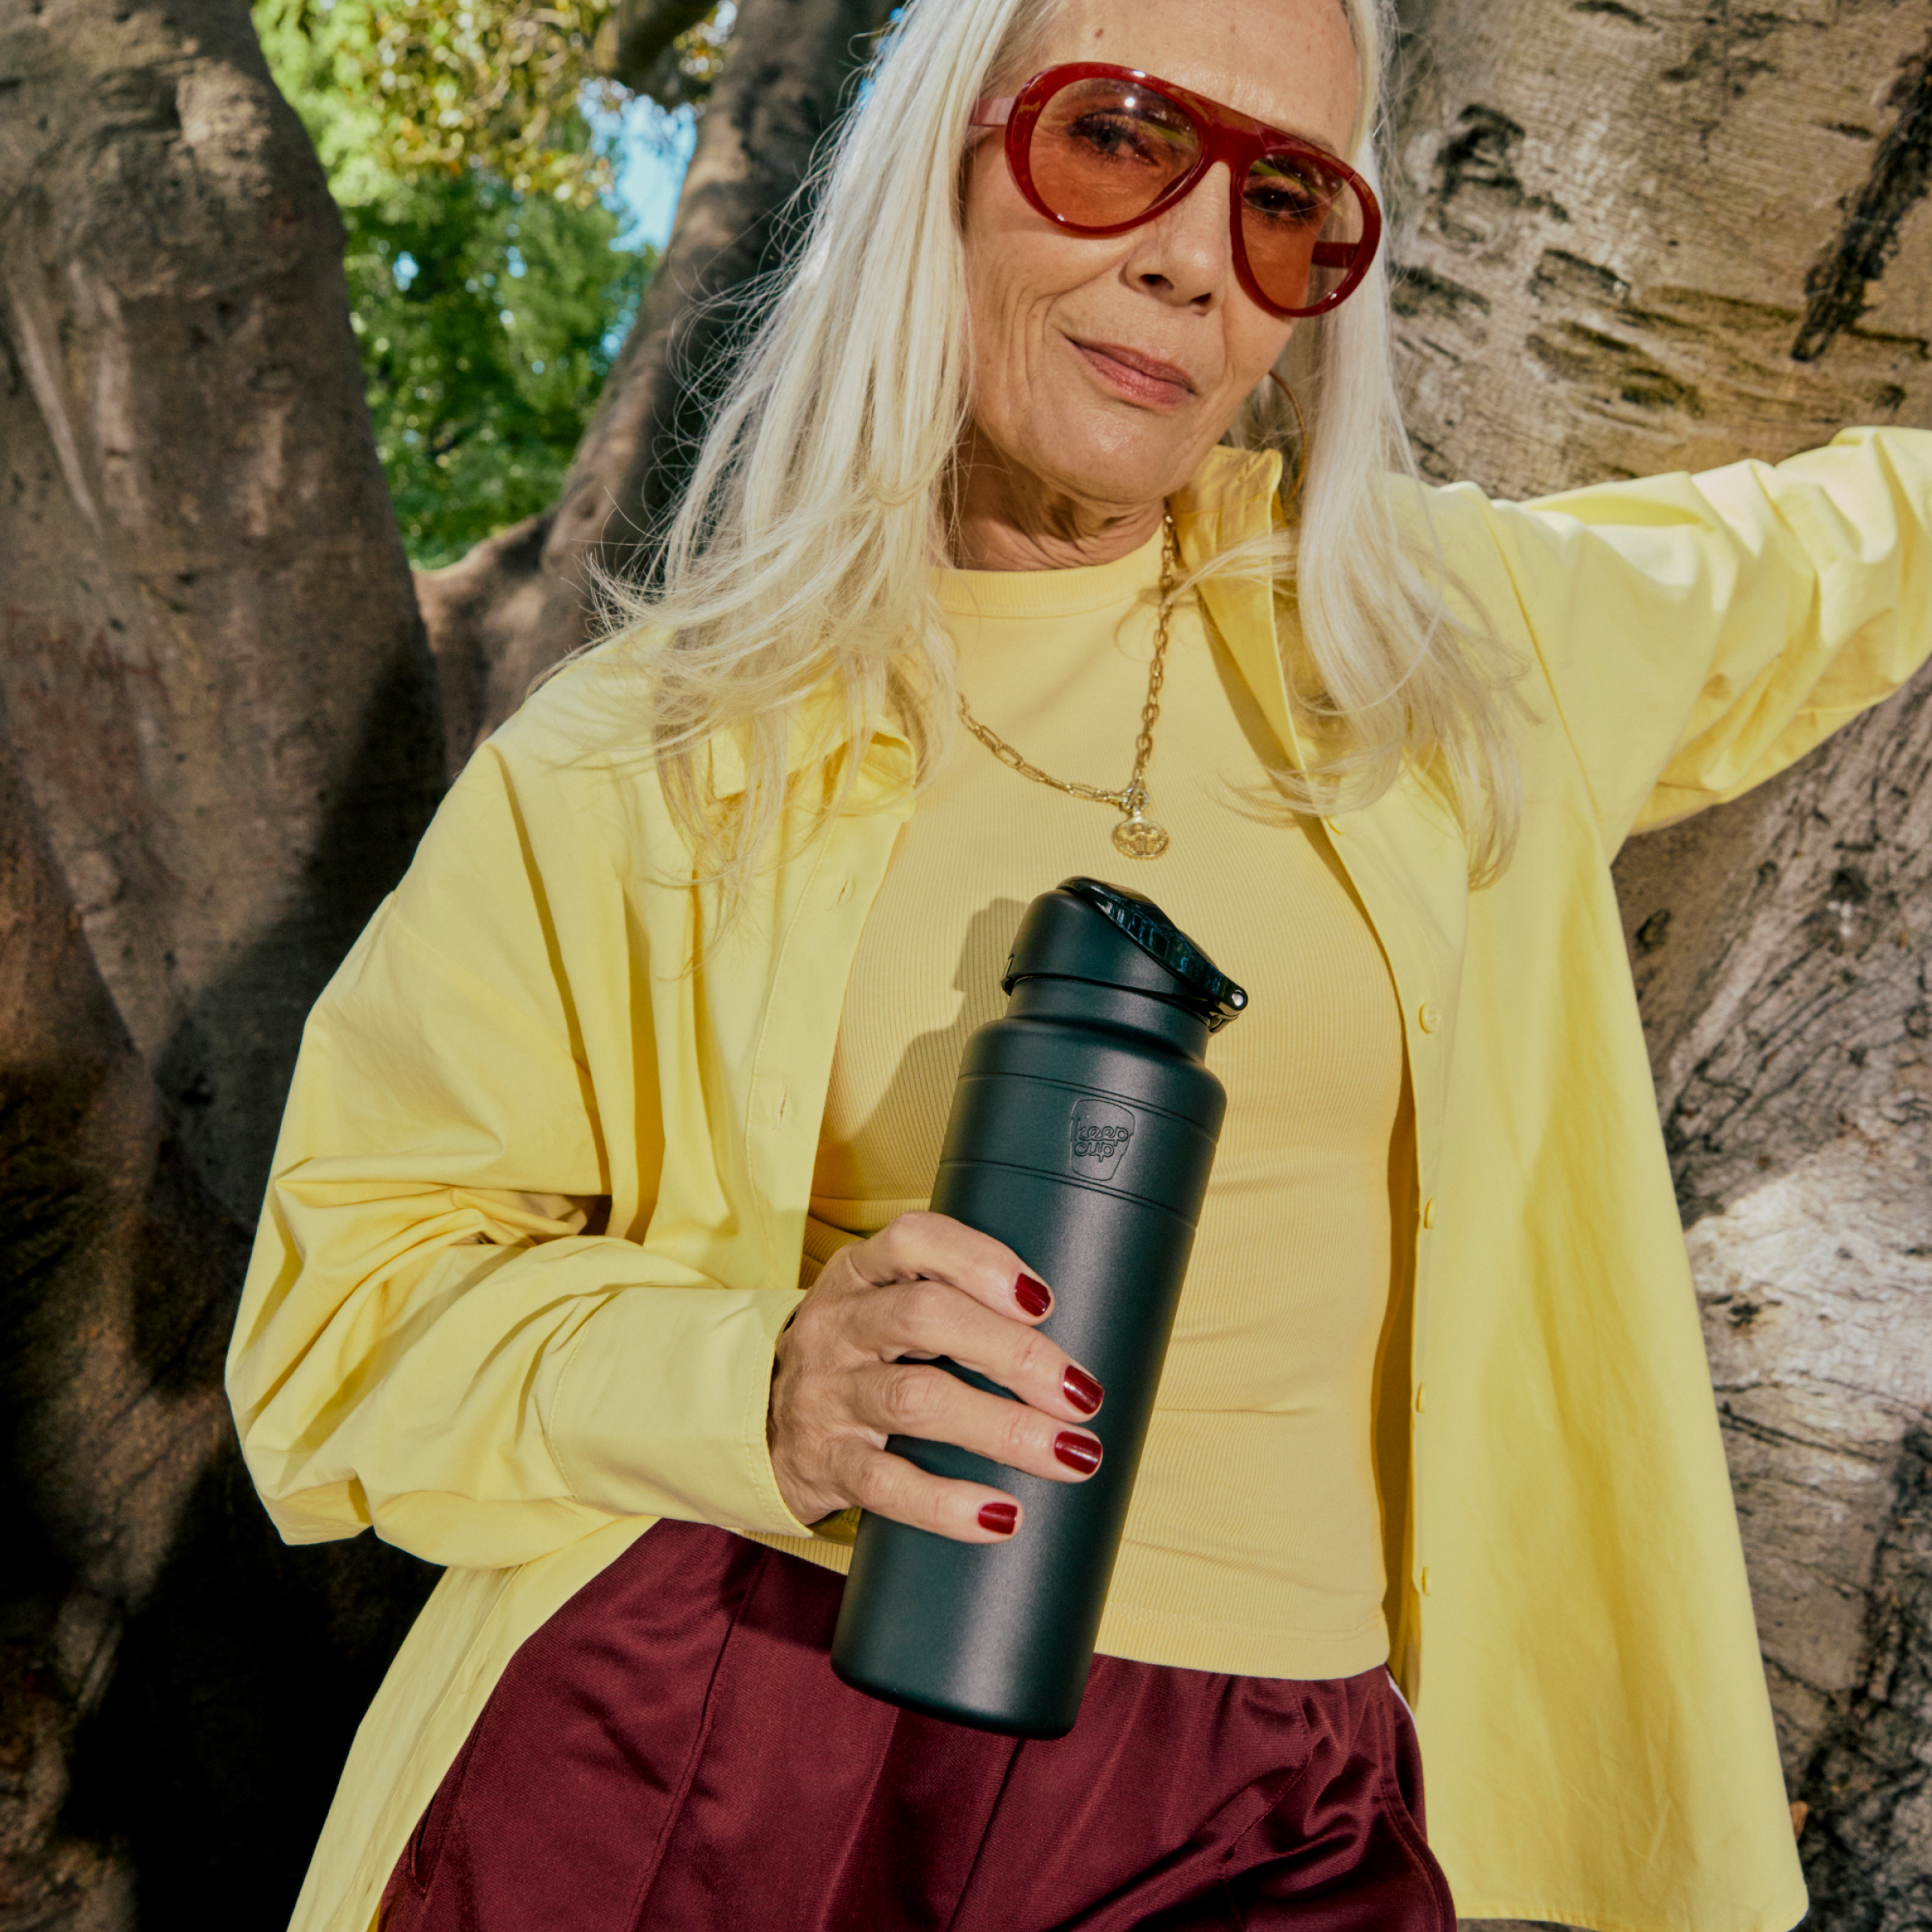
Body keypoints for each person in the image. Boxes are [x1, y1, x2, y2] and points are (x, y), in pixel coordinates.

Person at [226, 0, 1930, 1925]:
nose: (1195, 257)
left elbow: (1852, 547)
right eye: (1117, 137)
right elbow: (340, 1315)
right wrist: (759, 1381)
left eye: (1289, 201)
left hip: (1270, 1797)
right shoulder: (650, 752)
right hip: (722, 1732)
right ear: (938, 160)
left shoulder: (1447, 649)